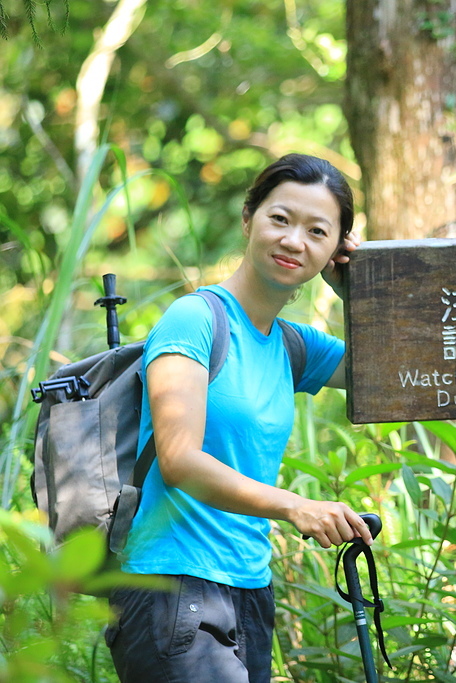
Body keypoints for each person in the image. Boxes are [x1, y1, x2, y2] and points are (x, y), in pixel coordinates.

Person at [104, 153, 373, 683]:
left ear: (336, 249)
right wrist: (298, 507)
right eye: (281, 219)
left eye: (318, 231)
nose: (295, 241)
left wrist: (359, 290)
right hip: (170, 586)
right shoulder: (194, 320)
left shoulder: (293, 346)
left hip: (249, 589)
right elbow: (179, 461)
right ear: (249, 218)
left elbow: (400, 371)